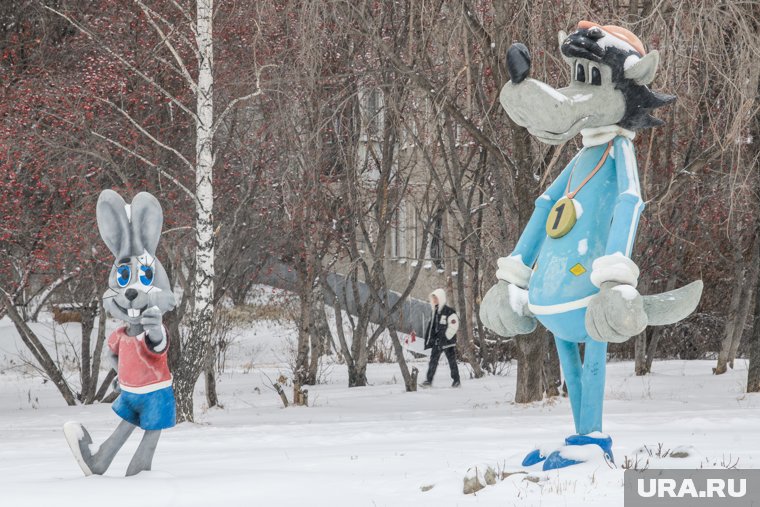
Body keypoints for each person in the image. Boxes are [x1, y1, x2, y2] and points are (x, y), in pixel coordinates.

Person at [422, 288, 461, 387]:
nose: (434, 300)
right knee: (433, 361)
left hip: (447, 342)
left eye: (436, 298)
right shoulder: (435, 312)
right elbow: (432, 327)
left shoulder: (449, 311)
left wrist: (445, 338)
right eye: (433, 298)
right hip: (437, 342)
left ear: (441, 298)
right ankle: (428, 380)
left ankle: (456, 381)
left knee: (452, 362)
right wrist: (431, 339)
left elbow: (454, 325)